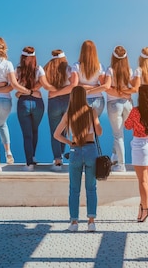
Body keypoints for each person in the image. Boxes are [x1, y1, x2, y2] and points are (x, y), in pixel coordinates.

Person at [0, 37, 36, 172]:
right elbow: (14, 85)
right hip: (5, 101)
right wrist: (28, 91)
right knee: (2, 124)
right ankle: (8, 151)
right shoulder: (8, 64)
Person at [53, 86, 102, 232]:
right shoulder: (91, 111)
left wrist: (70, 143)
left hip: (75, 150)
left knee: (74, 189)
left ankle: (74, 222)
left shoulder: (69, 113)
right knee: (91, 188)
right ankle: (91, 222)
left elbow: (56, 134)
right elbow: (99, 131)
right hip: (90, 150)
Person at [125, 84, 148, 222]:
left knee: (143, 180)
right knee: (146, 179)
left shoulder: (135, 111)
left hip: (140, 146)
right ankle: (142, 207)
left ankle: (146, 209)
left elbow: (127, 125)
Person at [15, 46, 57, 171]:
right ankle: (33, 156)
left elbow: (15, 86)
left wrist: (24, 92)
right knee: (34, 130)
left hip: (23, 103)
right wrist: (34, 89)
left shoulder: (17, 70)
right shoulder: (39, 69)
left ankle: (29, 164)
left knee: (27, 134)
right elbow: (44, 84)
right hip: (38, 102)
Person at [44, 49, 78, 171]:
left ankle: (57, 160)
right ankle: (63, 155)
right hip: (67, 100)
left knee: (54, 131)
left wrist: (54, 92)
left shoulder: (47, 69)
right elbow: (72, 85)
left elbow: (42, 83)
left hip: (53, 101)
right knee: (64, 130)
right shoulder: (68, 69)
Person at [104, 45, 136, 172]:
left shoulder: (110, 70)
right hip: (127, 104)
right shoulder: (130, 70)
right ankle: (115, 156)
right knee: (120, 132)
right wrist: (124, 94)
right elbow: (133, 89)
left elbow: (107, 88)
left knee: (118, 135)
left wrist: (117, 93)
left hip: (114, 104)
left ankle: (121, 164)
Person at [72, 40, 107, 117]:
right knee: (94, 126)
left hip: (83, 99)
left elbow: (75, 85)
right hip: (98, 100)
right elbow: (103, 86)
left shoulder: (76, 66)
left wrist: (84, 87)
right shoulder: (100, 67)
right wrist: (94, 87)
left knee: (84, 127)